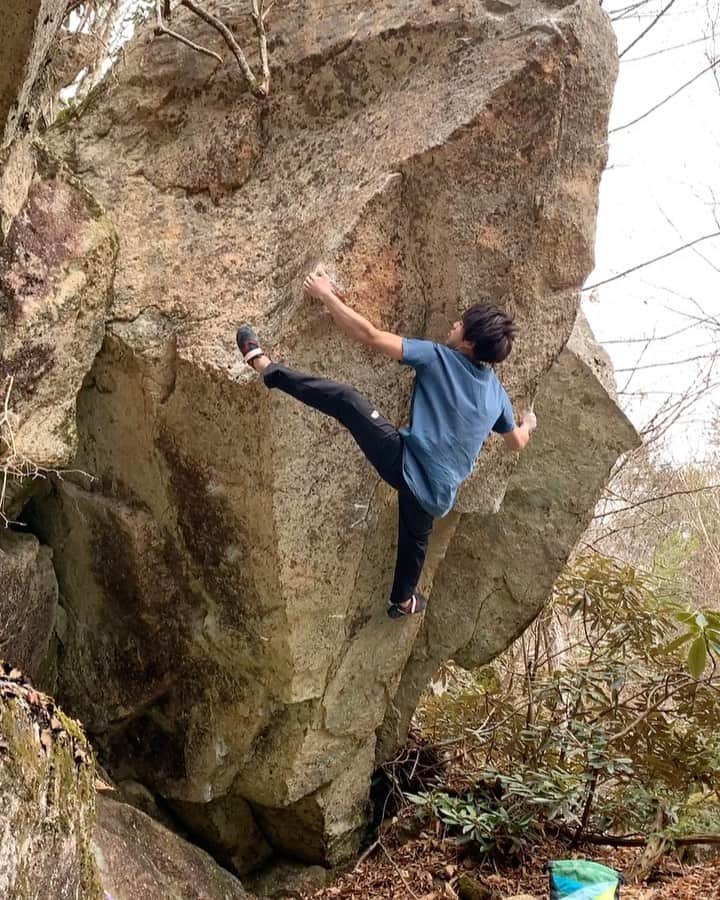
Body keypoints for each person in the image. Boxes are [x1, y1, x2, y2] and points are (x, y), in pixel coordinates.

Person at [236, 266, 537, 620]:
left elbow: (370, 336)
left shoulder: (437, 357)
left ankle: (263, 364)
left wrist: (326, 295)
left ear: (469, 343)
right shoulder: (498, 396)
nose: (454, 324)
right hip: (438, 493)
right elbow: (516, 442)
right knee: (414, 543)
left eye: (461, 323)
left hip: (404, 461)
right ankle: (403, 602)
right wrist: (528, 423)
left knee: (347, 400)